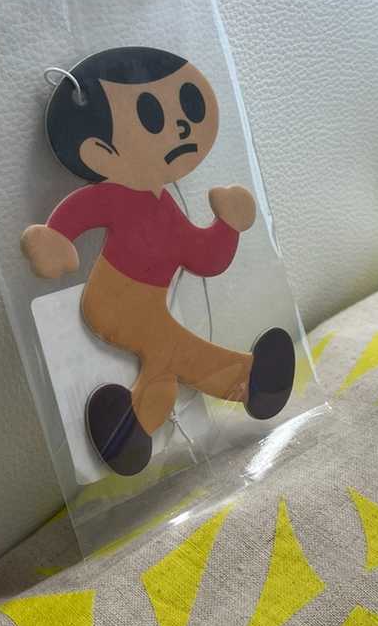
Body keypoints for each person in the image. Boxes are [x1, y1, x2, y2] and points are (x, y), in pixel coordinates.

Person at [22, 47, 295, 475]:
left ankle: (131, 426)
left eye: (189, 104)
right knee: (172, 347)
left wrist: (228, 226)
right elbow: (79, 212)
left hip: (147, 305)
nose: (180, 126)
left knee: (164, 364)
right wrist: (54, 239)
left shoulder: (164, 205)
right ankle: (247, 380)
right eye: (151, 115)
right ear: (99, 151)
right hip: (114, 302)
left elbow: (201, 256)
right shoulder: (116, 196)